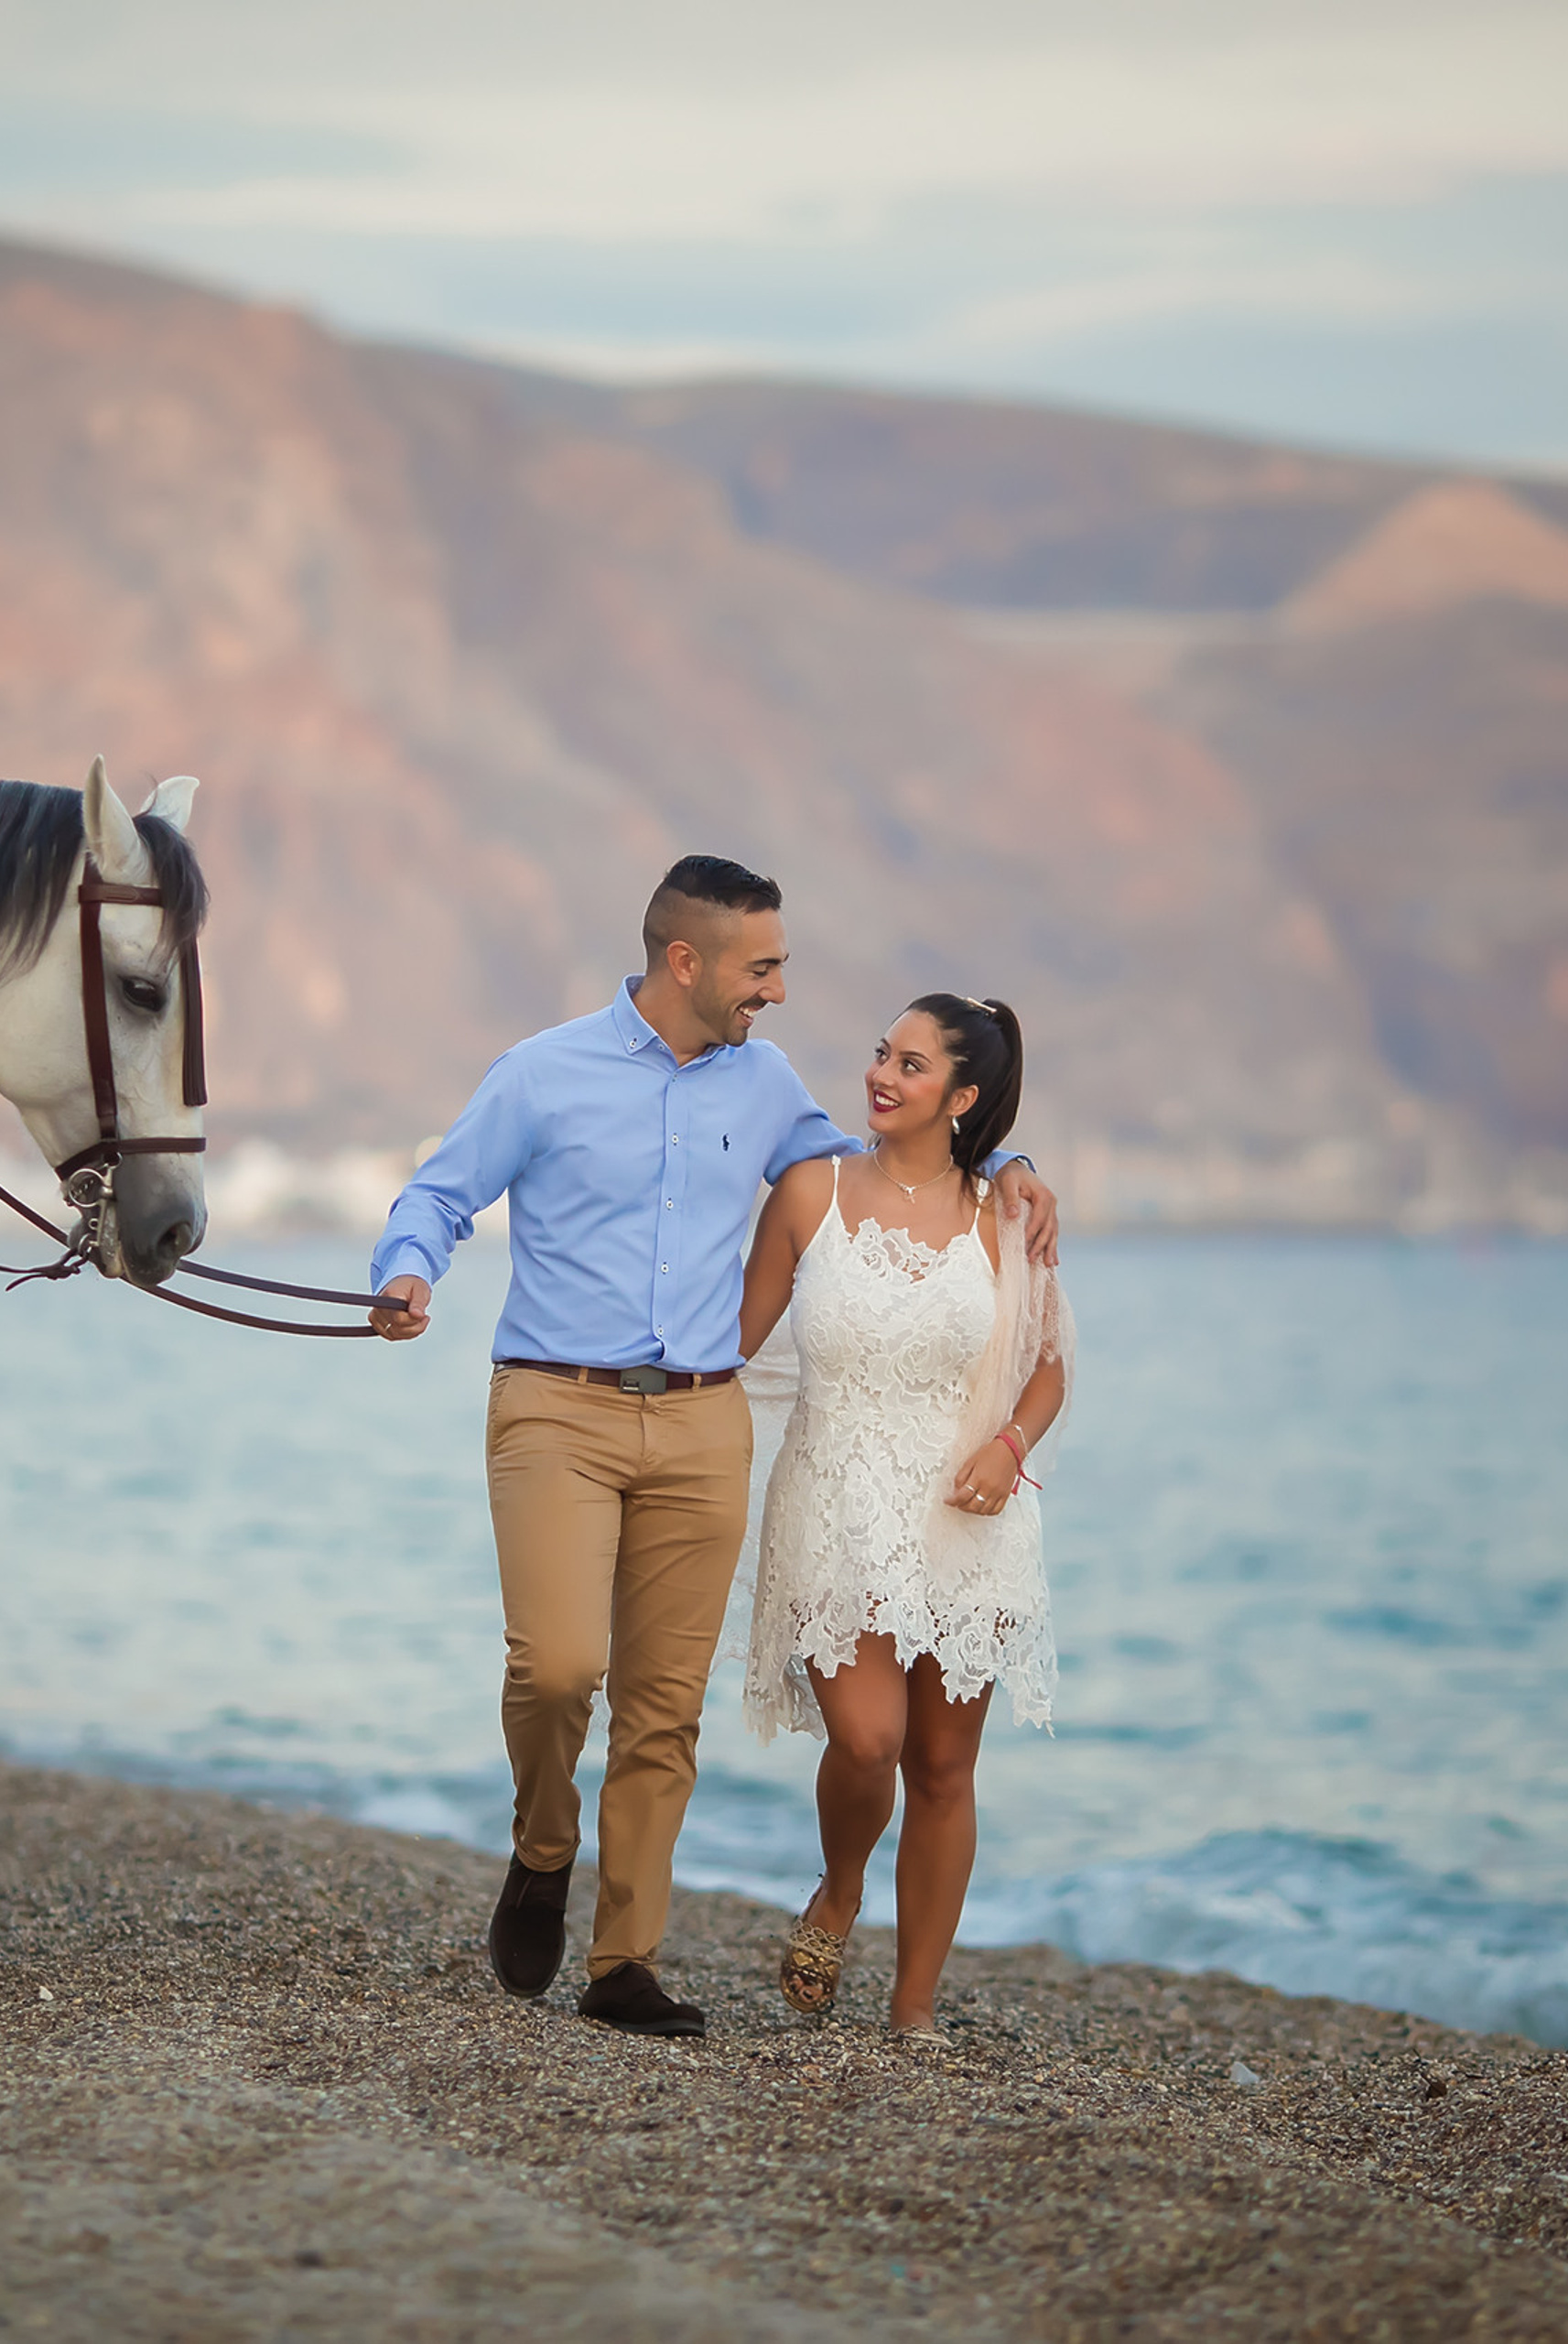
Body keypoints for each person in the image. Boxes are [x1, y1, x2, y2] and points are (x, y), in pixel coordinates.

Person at [368, 859, 1059, 2038]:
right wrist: (404, 1272)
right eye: (763, 967)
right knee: (556, 1669)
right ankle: (543, 1843)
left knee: (660, 1707)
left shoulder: (770, 1082)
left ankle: (622, 1960)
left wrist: (1003, 1159)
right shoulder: (542, 1072)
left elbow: (886, 1161)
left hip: (702, 1419)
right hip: (556, 1405)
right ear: (685, 961)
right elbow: (437, 1194)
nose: (779, 992)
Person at [738, 993, 1069, 2041]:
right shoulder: (809, 1191)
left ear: (963, 1099)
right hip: (832, 1500)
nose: (882, 1074)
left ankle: (913, 2009)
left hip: (965, 1516)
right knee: (870, 1738)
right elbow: (732, 1339)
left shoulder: (1005, 1217)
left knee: (941, 1766)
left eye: (912, 1065)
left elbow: (1048, 1373)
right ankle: (839, 1889)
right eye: (883, 1053)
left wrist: (1008, 1448)